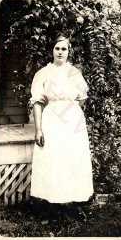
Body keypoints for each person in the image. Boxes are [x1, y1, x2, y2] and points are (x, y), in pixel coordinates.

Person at [30, 34, 94, 216]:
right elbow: (37, 102)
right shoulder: (43, 73)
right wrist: (39, 128)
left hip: (72, 120)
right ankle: (52, 206)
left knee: (72, 159)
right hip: (52, 120)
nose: (60, 52)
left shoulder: (75, 73)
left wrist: (71, 111)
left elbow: (82, 99)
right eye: (57, 48)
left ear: (69, 51)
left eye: (64, 49)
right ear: (52, 50)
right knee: (53, 159)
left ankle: (72, 205)